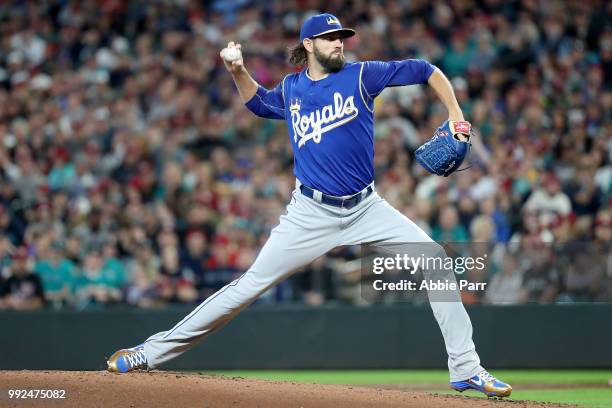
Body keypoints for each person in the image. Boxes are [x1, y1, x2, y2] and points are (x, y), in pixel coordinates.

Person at [107, 13, 512, 398]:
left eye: (342, 38)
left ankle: (465, 368)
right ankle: (149, 353)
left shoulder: (361, 76)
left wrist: (455, 111)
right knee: (247, 287)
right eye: (331, 38)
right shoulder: (292, 88)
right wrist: (236, 72)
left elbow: (425, 69)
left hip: (366, 207)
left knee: (436, 260)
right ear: (309, 44)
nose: (340, 43)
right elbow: (260, 104)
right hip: (310, 213)